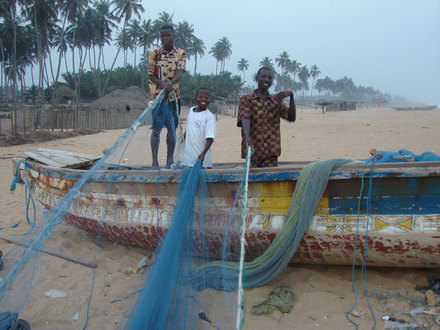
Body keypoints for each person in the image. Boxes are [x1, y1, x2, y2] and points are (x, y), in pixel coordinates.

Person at [237, 67, 296, 167]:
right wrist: (247, 137)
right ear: (257, 78)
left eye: (270, 78)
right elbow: (245, 118)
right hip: (252, 150)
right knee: (253, 181)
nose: (267, 80)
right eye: (263, 77)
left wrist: (291, 97)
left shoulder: (275, 100)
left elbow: (291, 118)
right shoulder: (246, 100)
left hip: (271, 151)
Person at [148, 25, 187, 168]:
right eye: (163, 36)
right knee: (156, 130)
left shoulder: (181, 53)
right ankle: (154, 162)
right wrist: (162, 84)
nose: (165, 38)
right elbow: (151, 75)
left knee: (172, 129)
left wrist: (170, 83)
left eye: (168, 35)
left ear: (173, 36)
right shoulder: (154, 53)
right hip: (157, 97)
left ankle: (169, 161)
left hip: (173, 96)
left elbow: (180, 71)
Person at [180, 88, 216, 168]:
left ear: (210, 99)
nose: (203, 99)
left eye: (206, 98)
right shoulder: (191, 111)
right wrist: (185, 136)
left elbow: (210, 138)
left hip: (202, 160)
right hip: (188, 160)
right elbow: (189, 127)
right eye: (200, 97)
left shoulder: (209, 117)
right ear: (196, 98)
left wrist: (203, 154)